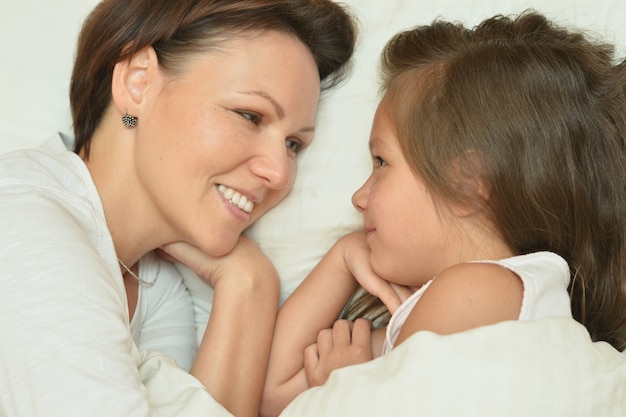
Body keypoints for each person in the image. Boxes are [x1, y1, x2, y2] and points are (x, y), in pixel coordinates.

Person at [261, 11, 626, 416]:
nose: (358, 198)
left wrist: (349, 386)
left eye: (381, 162)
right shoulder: (459, 302)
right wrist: (342, 259)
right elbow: (271, 394)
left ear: (468, 183)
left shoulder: (474, 292)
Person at [0, 0, 356, 416]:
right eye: (250, 115)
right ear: (138, 82)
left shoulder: (155, 287)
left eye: (293, 144)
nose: (280, 173)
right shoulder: (23, 216)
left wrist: (250, 285)